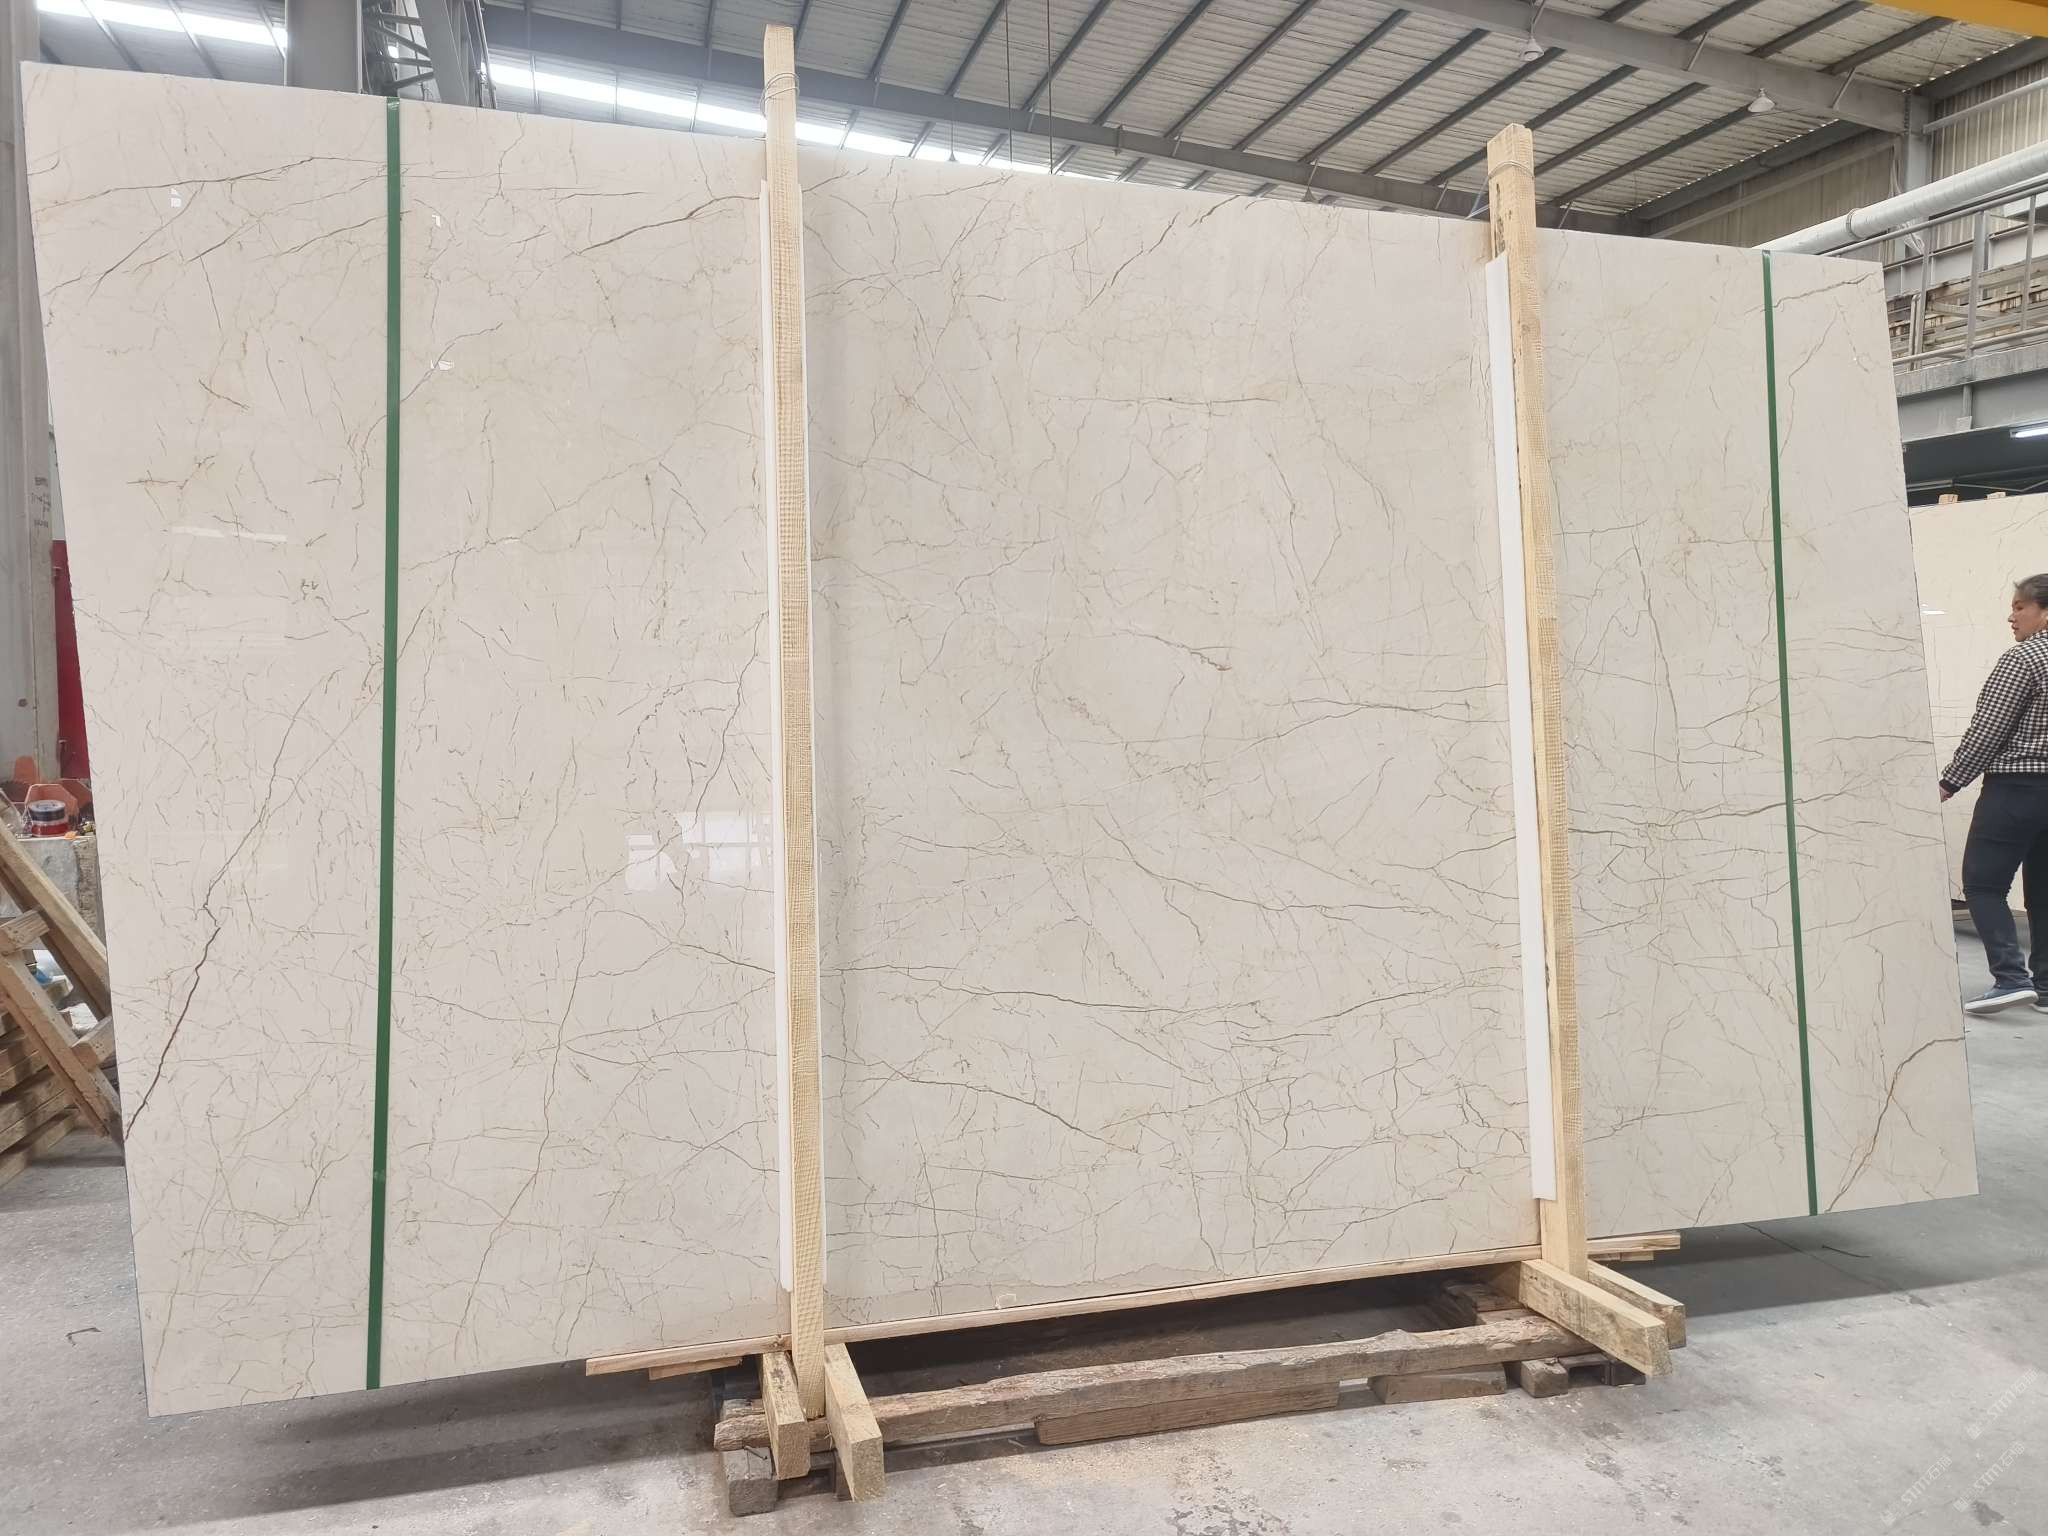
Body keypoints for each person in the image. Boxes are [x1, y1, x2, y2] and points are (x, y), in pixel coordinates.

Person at [1943, 572, 2048, 1012]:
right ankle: (2045, 986)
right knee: (2043, 891)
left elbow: (1988, 730)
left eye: (2020, 607)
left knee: (1983, 884)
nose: (2012, 616)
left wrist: (1950, 781)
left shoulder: (2024, 659)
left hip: (2016, 790)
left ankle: (2010, 978)